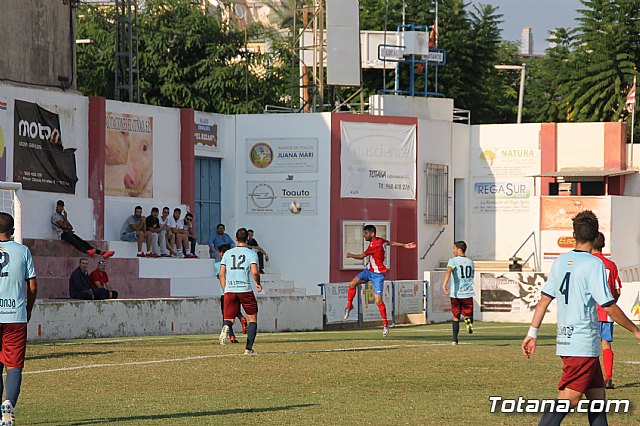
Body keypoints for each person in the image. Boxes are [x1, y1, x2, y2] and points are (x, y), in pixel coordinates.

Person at [522, 211, 640, 425]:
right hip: (581, 344)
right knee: (569, 398)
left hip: (571, 342)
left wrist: (532, 333)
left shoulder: (560, 261)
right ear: (596, 236)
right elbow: (609, 305)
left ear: (573, 234)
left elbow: (544, 300)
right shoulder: (594, 264)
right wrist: (635, 330)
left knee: (597, 401)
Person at [343, 225, 416, 337]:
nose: (364, 235)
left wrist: (350, 255)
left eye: (366, 233)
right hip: (368, 271)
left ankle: (385, 324)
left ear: (372, 233)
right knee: (352, 283)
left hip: (377, 275)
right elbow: (390, 243)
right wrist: (404, 245)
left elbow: (362, 256)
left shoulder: (375, 244)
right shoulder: (380, 240)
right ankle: (349, 306)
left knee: (378, 301)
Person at [0, 212, 37, 426]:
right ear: (13, 230)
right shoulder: (23, 251)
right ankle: (8, 404)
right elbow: (32, 285)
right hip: (15, 315)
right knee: (13, 365)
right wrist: (29, 308)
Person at [218, 228, 262, 355]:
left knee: (229, 318)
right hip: (245, 289)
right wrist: (258, 284)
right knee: (252, 319)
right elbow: (254, 272)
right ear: (248, 238)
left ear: (235, 238)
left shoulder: (227, 253)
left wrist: (225, 289)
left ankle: (226, 327)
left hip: (230, 290)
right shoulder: (251, 253)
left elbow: (222, 274)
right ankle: (248, 348)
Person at [591, 232, 622, 390]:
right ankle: (608, 379)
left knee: (587, 345)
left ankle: (587, 380)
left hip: (588, 312)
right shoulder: (611, 265)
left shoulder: (587, 263)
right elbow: (617, 290)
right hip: (606, 312)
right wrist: (612, 305)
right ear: (603, 244)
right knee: (606, 344)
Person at [442, 241, 475, 345]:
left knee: (456, 316)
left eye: (454, 248)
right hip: (468, 292)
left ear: (459, 249)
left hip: (456, 293)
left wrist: (444, 285)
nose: (453, 250)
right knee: (468, 313)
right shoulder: (470, 261)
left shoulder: (453, 261)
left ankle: (454, 340)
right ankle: (468, 319)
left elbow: (449, 271)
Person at [214, 244, 248, 343]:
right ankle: (241, 318)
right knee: (235, 310)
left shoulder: (217, 265)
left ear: (220, 253)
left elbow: (219, 275)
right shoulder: (235, 264)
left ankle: (231, 336)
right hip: (237, 290)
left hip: (225, 292)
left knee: (226, 315)